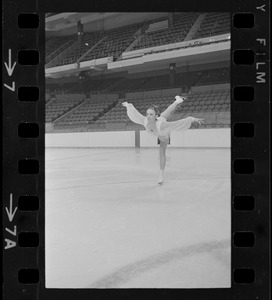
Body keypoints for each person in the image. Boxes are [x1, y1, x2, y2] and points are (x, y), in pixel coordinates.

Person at [122, 95, 204, 184]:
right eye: (147, 114)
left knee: (161, 152)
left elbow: (175, 124)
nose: (148, 116)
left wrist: (190, 120)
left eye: (151, 114)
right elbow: (136, 115)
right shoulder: (145, 120)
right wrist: (129, 106)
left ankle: (161, 173)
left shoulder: (162, 125)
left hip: (163, 133)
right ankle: (178, 101)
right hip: (158, 124)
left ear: (156, 115)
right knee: (167, 111)